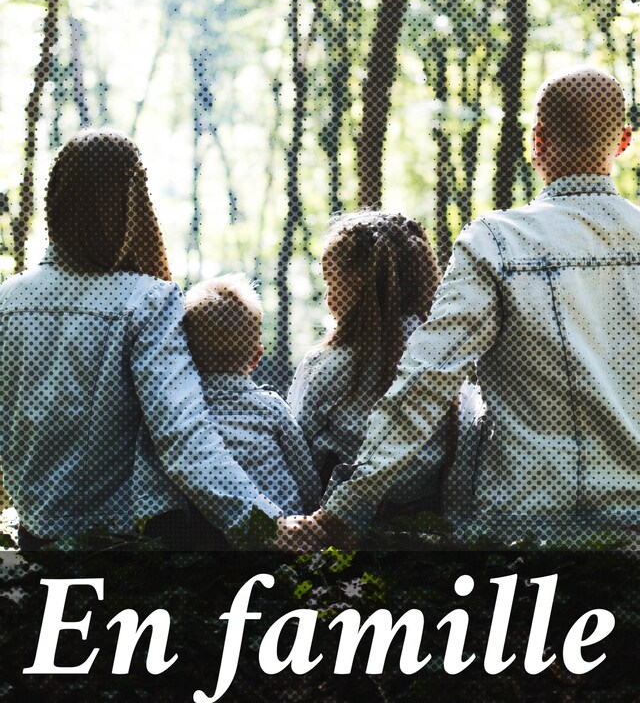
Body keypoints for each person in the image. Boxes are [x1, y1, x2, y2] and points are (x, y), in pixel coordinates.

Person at [275, 67, 640, 549]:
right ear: (622, 142)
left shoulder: (496, 243)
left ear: (538, 140)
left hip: (525, 534)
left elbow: (426, 381)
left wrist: (344, 510)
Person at [0, 129, 281, 550]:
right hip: (123, 544)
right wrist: (266, 525)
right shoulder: (147, 300)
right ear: (133, 203)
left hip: (37, 537)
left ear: (54, 200)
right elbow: (182, 433)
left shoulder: (8, 299)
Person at [287, 211, 444, 498]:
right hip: (427, 518)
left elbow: (296, 450)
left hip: (340, 524)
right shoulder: (444, 357)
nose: (327, 295)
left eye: (332, 281)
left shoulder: (325, 366)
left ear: (360, 283)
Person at [182, 273, 320, 530]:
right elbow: (304, 473)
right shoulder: (271, 407)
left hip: (215, 533)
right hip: (283, 527)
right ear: (257, 357)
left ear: (186, 355)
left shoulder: (185, 412)